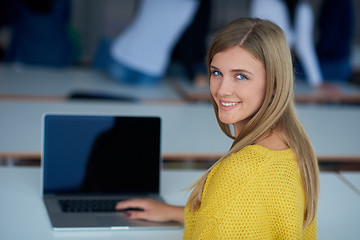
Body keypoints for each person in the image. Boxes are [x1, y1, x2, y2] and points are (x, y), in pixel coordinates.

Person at [115, 18, 319, 239]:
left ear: (274, 83)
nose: (222, 90)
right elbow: (253, 220)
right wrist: (179, 212)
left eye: (241, 76)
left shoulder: (238, 176)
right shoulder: (292, 143)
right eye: (216, 72)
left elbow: (234, 206)